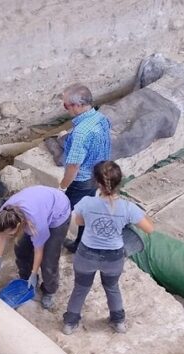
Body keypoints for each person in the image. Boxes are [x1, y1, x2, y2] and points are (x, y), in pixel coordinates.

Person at [62, 161, 153, 335]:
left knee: (80, 288)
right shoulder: (128, 208)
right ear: (119, 182)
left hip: (86, 254)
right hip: (113, 257)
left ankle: (69, 324)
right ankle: (118, 322)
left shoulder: (87, 202)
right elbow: (150, 229)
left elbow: (79, 222)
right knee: (112, 287)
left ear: (96, 182)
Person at [0, 186, 71, 310]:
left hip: (58, 212)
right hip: (39, 203)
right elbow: (1, 234)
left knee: (49, 260)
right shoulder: (6, 213)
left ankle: (49, 290)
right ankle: (26, 279)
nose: (8, 236)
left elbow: (38, 250)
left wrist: (34, 272)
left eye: (11, 233)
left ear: (19, 225)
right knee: (21, 249)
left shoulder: (35, 223)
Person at [58, 83, 111, 253]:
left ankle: (55, 244)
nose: (66, 109)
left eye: (66, 105)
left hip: (82, 179)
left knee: (63, 212)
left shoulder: (81, 132)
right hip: (98, 173)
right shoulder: (100, 118)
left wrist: (63, 186)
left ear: (78, 106)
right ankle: (80, 243)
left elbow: (74, 166)